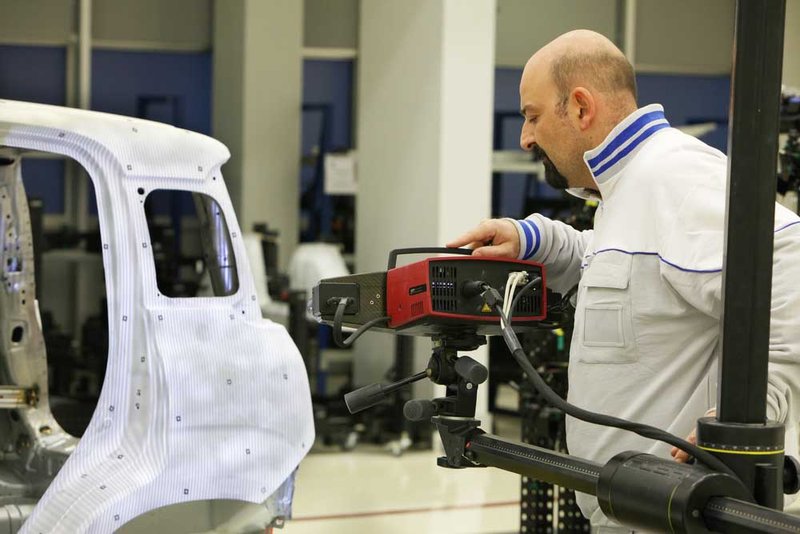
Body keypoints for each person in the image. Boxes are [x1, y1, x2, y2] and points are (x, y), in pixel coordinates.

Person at [448, 29, 800, 529]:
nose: (526, 137)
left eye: (533, 116)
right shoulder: (630, 187)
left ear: (580, 107)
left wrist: (745, 418)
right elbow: (638, 272)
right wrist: (535, 240)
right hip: (642, 508)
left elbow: (787, 264)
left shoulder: (673, 174)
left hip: (683, 511)